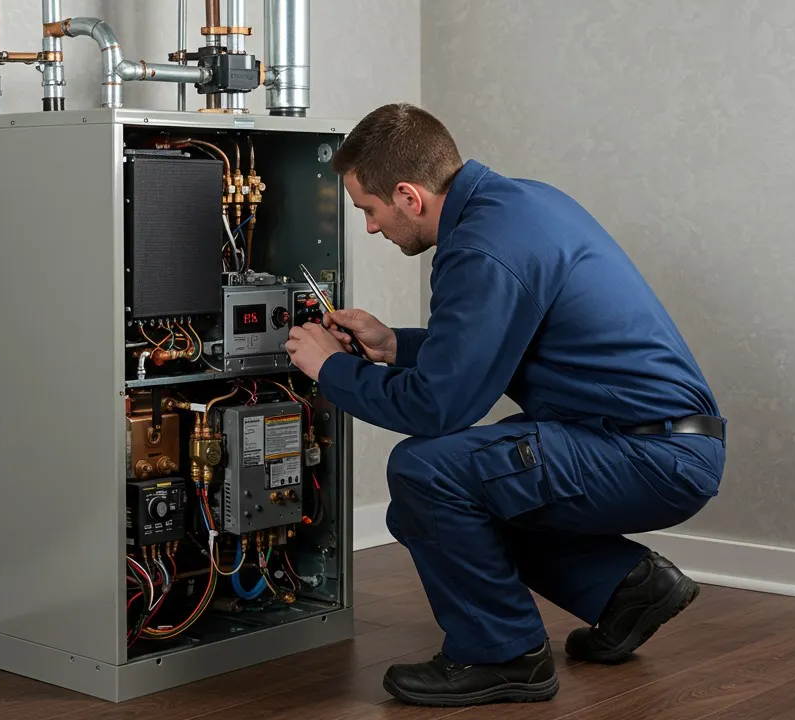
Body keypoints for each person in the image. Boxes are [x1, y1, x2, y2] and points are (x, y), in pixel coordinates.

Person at [284, 103, 725, 708]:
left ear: (409, 197)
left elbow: (439, 409)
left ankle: (503, 655)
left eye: (368, 209)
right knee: (420, 511)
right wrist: (392, 346)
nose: (368, 228)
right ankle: (626, 588)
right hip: (657, 439)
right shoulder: (518, 206)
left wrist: (330, 369)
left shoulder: (481, 251)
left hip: (648, 452)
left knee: (425, 470)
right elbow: (491, 345)